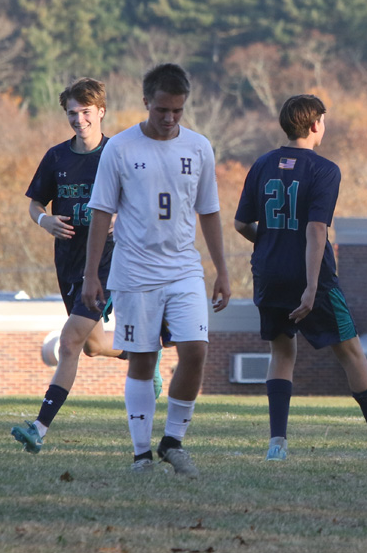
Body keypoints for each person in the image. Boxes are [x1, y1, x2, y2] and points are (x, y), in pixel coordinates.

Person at [234, 94, 367, 464]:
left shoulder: (261, 164)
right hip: (313, 279)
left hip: (268, 274)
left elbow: (242, 223)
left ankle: (277, 445)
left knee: (281, 351)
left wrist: (273, 242)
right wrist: (309, 286)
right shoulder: (325, 169)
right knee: (352, 353)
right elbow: (317, 230)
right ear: (315, 124)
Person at [82, 63, 231, 477]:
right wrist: (91, 274)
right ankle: (140, 455)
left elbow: (210, 212)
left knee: (196, 351)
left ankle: (173, 442)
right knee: (142, 361)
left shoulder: (199, 147)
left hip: (185, 269)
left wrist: (222, 270)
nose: (169, 119)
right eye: (162, 110)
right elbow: (100, 213)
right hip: (133, 271)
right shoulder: (121, 148)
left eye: (178, 111)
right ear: (146, 102)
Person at [11, 78, 152, 454]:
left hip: (107, 260)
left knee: (70, 341)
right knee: (91, 345)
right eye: (72, 113)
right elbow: (34, 205)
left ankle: (39, 427)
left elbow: (144, 200)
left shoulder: (119, 153)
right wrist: (45, 222)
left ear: (101, 111)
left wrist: (126, 218)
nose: (79, 120)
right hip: (68, 260)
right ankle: (140, 357)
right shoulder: (56, 157)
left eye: (86, 112)